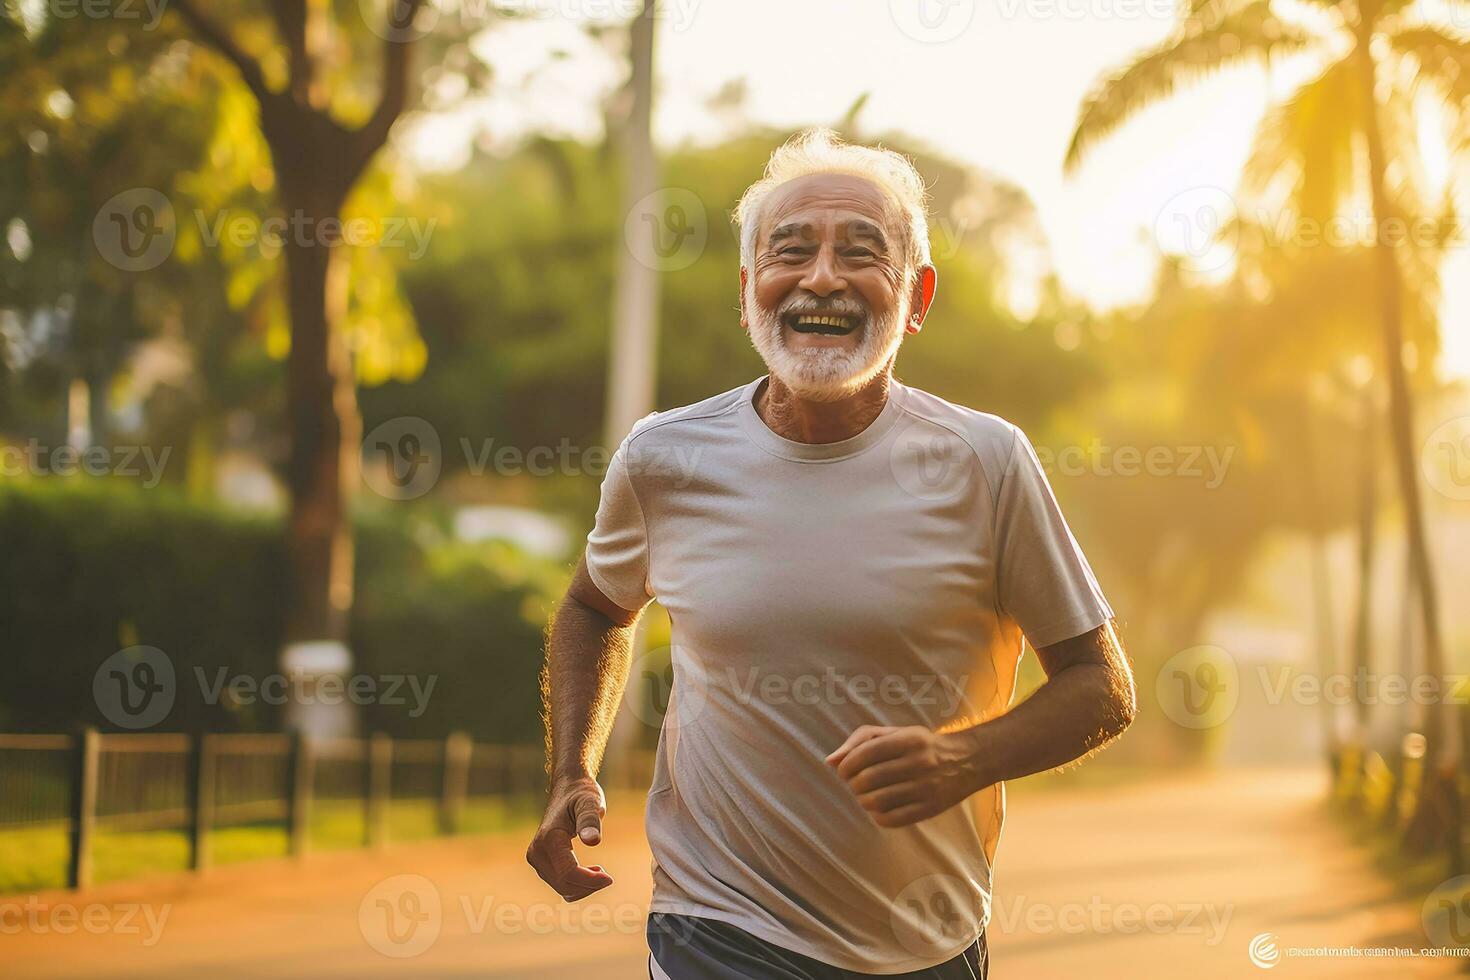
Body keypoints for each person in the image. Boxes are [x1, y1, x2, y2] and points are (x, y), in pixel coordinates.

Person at [526, 129, 1136, 979]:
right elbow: (596, 607)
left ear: (916, 297)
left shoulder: (986, 461)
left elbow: (1101, 686)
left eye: (861, 252)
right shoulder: (664, 457)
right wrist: (571, 772)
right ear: (748, 294)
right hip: (716, 924)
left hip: (928, 941)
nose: (821, 277)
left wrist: (966, 758)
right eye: (790, 251)